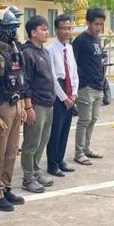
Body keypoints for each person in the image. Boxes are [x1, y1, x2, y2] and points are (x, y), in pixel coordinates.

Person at [0, 7, 27, 212]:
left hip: (15, 104)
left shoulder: (14, 50)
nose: (14, 31)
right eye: (10, 28)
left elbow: (20, 79)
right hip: (2, 106)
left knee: (11, 151)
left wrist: (23, 106)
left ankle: (6, 186)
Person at [19, 15, 57, 193]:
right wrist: (28, 107)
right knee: (31, 142)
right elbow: (25, 82)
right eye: (43, 29)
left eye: (47, 29)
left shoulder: (44, 52)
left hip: (48, 103)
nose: (47, 32)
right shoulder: (27, 53)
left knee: (43, 140)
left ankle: (35, 171)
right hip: (36, 104)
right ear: (33, 32)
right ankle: (28, 178)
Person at [72, 7, 107, 165]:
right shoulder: (80, 40)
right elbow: (73, 64)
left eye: (101, 24)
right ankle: (79, 153)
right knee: (84, 120)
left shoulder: (97, 39)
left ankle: (86, 148)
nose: (99, 27)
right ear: (88, 22)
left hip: (98, 85)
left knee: (93, 119)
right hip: (85, 86)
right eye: (96, 24)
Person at [46, 14, 79, 176]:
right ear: (57, 30)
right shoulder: (50, 50)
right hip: (58, 93)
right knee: (56, 130)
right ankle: (52, 164)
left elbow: (74, 72)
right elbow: (52, 77)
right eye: (64, 28)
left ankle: (60, 160)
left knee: (66, 128)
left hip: (69, 90)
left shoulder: (70, 49)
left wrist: (74, 93)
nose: (67, 31)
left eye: (69, 28)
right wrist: (64, 98)